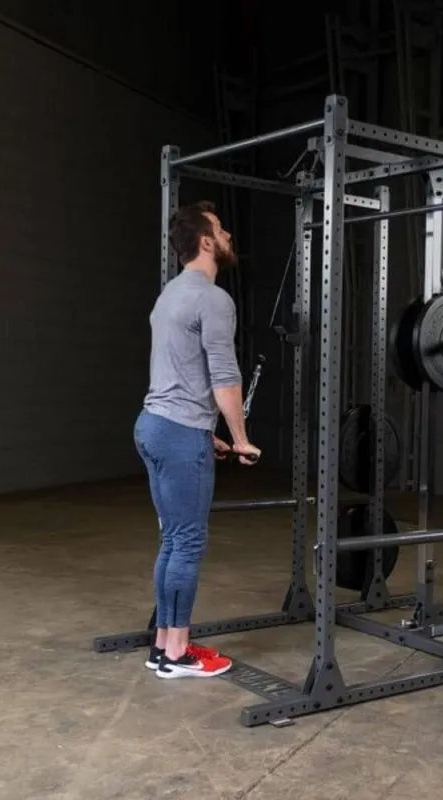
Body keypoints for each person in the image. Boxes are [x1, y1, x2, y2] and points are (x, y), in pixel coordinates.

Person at [133, 201, 261, 679]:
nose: (227, 236)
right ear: (206, 242)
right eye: (221, 230)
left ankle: (164, 646)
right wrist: (240, 438)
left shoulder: (169, 295)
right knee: (186, 542)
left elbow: (180, 372)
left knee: (173, 539)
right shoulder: (212, 298)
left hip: (154, 425)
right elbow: (224, 376)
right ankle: (177, 654)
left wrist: (206, 433)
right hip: (178, 432)